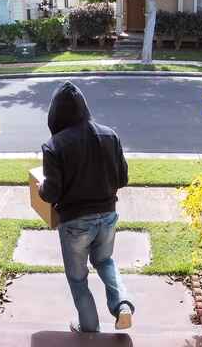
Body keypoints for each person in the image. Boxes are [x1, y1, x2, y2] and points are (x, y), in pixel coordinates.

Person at [38, 81, 135, 333]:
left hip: (75, 223)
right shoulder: (110, 135)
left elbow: (51, 193)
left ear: (55, 114)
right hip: (108, 216)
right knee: (105, 261)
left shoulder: (54, 146)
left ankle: (89, 327)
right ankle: (122, 304)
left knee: (78, 278)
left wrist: (39, 187)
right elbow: (122, 179)